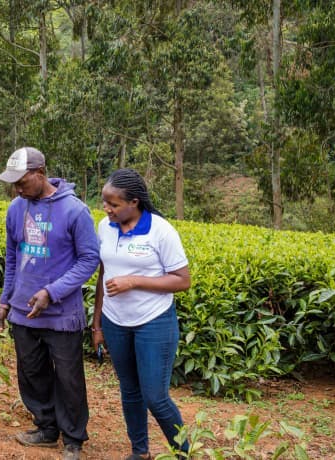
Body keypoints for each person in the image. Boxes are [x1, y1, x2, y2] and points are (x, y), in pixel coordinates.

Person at [0, 147, 99, 460]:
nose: (17, 188)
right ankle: (46, 428)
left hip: (62, 314)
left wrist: (52, 292)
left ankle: (73, 439)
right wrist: (6, 301)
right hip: (24, 312)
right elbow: (13, 256)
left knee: (68, 377)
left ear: (40, 173)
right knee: (32, 373)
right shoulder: (16, 208)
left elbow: (89, 258)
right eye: (13, 184)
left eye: (22, 181)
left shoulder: (75, 211)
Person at [91, 168, 191, 460]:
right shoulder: (104, 227)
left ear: (134, 202)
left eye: (114, 204)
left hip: (153, 322)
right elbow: (102, 276)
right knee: (130, 390)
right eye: (105, 202)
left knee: (155, 397)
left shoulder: (160, 230)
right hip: (115, 321)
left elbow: (182, 280)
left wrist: (134, 281)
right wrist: (97, 323)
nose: (106, 208)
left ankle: (184, 453)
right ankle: (140, 452)